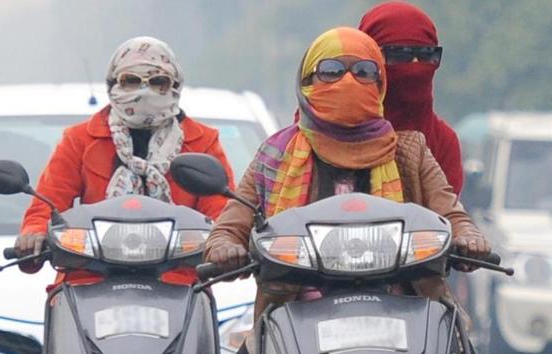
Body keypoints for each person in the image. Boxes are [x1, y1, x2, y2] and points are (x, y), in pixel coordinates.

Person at [204, 27, 489, 352]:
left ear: (381, 84)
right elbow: (228, 228)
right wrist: (226, 248)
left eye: (364, 71)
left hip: (405, 307)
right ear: (307, 82)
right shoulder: (275, 153)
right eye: (332, 71)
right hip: (292, 306)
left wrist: (469, 238)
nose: (348, 81)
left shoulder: (411, 150)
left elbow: (452, 214)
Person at [16, 36, 235, 285]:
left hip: (180, 282)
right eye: (130, 81)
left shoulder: (202, 141)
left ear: (175, 86)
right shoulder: (79, 139)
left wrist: (225, 246)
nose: (144, 91)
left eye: (158, 82)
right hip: (90, 278)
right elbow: (47, 204)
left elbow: (224, 213)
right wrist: (33, 235)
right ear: (112, 85)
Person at [359, 1, 464, 195]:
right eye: (400, 55)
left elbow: (446, 215)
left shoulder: (443, 141)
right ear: (369, 61)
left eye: (426, 55)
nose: (415, 67)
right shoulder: (328, 135)